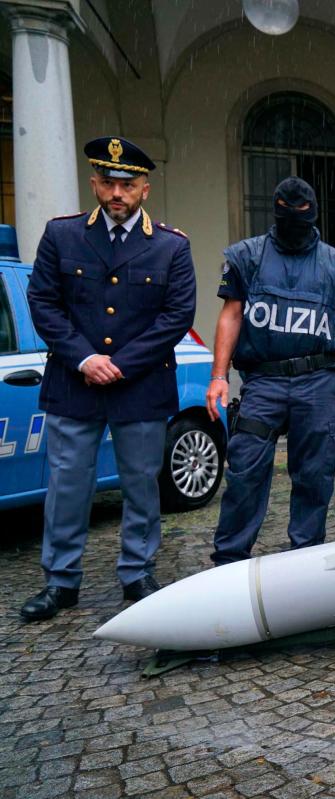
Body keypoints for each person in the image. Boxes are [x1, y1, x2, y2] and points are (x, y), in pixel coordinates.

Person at [20, 137, 196, 620]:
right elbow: (44, 304)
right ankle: (61, 581)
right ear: (95, 184)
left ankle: (137, 571)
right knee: (67, 485)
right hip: (75, 384)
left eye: (128, 184)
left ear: (145, 189)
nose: (118, 192)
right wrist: (84, 358)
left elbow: (177, 314)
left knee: (141, 484)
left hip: (139, 386)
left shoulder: (170, 246)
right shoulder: (63, 236)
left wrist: (122, 363)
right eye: (109, 182)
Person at [205, 177, 335, 565]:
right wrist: (218, 375)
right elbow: (231, 314)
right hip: (264, 381)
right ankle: (229, 559)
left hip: (319, 380)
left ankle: (305, 558)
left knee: (316, 474)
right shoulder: (247, 256)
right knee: (245, 471)